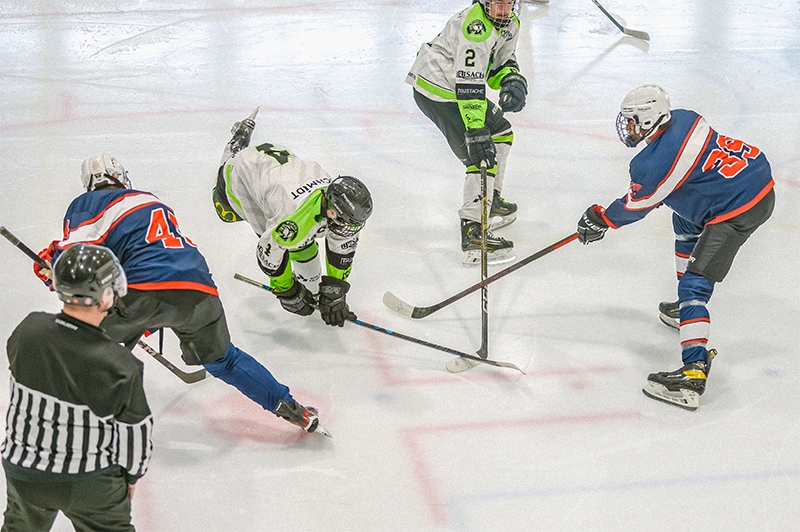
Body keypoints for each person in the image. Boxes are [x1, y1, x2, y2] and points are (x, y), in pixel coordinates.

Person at [34, 154, 330, 437]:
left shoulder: (87, 203)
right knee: (225, 361)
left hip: (141, 295)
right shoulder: (150, 200)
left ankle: (63, 426)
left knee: (77, 344)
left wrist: (51, 268)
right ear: (123, 178)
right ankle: (294, 411)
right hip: (199, 291)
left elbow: (78, 259)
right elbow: (148, 255)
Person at [576, 84, 775, 411]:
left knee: (696, 286)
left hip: (740, 205)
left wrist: (601, 218)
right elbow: (673, 185)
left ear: (650, 120)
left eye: (632, 120)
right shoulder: (683, 118)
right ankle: (684, 310)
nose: (626, 127)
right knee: (684, 220)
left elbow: (636, 205)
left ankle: (693, 372)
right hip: (751, 176)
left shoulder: (653, 166)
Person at [3, 244, 152, 531]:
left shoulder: (28, 329)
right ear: (105, 296)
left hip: (23, 472)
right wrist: (131, 478)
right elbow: (136, 435)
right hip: (88, 482)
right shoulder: (120, 364)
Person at [212, 110, 373, 327]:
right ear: (332, 212)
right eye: (346, 223)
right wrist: (287, 290)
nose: (349, 229)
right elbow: (267, 255)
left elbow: (342, 249)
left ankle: (313, 290)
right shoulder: (291, 220)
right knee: (225, 210)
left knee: (303, 244)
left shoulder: (339, 206)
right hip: (243, 174)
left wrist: (335, 291)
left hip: (275, 169)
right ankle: (237, 143)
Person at [405, 0, 528, 266]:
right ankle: (473, 233)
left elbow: (496, 66)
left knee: (501, 133)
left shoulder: (511, 22)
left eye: (509, 2)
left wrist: (511, 78)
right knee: (481, 154)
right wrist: (475, 130)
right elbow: (470, 84)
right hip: (439, 90)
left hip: (459, 87)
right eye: (498, 3)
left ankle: (489, 201)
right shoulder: (475, 28)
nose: (504, 9)